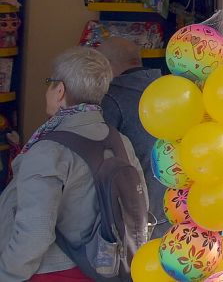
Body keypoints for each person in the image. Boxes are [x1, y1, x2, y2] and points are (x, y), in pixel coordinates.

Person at [0, 47, 147, 280]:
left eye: (50, 83)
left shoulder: (48, 150)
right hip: (104, 269)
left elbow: (35, 233)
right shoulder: (121, 141)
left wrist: (8, 273)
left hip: (52, 271)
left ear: (60, 90)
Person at [95, 37, 166, 238]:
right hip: (175, 203)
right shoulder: (167, 87)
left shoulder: (112, 97)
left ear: (106, 66)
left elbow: (101, 154)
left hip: (140, 209)